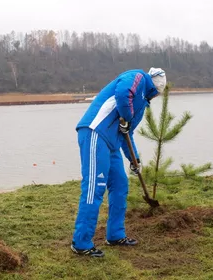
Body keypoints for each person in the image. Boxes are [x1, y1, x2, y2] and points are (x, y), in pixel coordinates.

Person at [71, 67, 167, 257]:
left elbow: (127, 133)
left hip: (112, 142)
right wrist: (127, 116)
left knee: (120, 185)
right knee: (94, 188)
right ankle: (81, 243)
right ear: (154, 88)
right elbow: (123, 92)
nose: (156, 96)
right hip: (95, 132)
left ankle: (115, 235)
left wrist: (134, 159)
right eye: (157, 93)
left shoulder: (141, 104)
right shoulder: (137, 77)